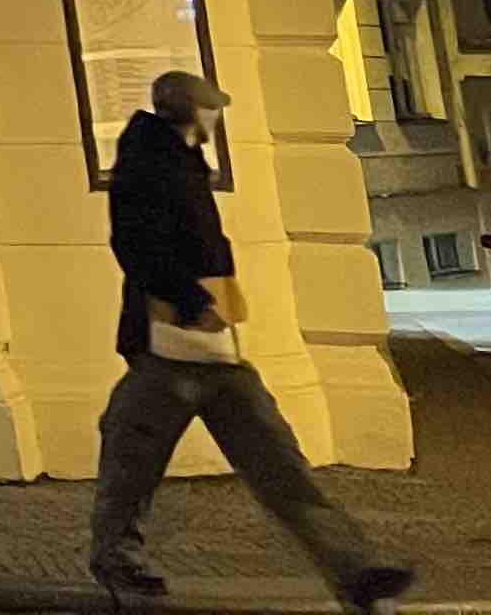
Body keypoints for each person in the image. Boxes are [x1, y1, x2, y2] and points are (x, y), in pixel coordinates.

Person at [90, 69, 412, 606]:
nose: (217, 118)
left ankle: (354, 572)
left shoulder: (181, 161)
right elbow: (136, 244)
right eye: (211, 109)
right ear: (191, 112)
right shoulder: (149, 162)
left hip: (214, 352)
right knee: (132, 464)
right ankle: (115, 560)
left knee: (278, 464)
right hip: (167, 347)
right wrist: (193, 302)